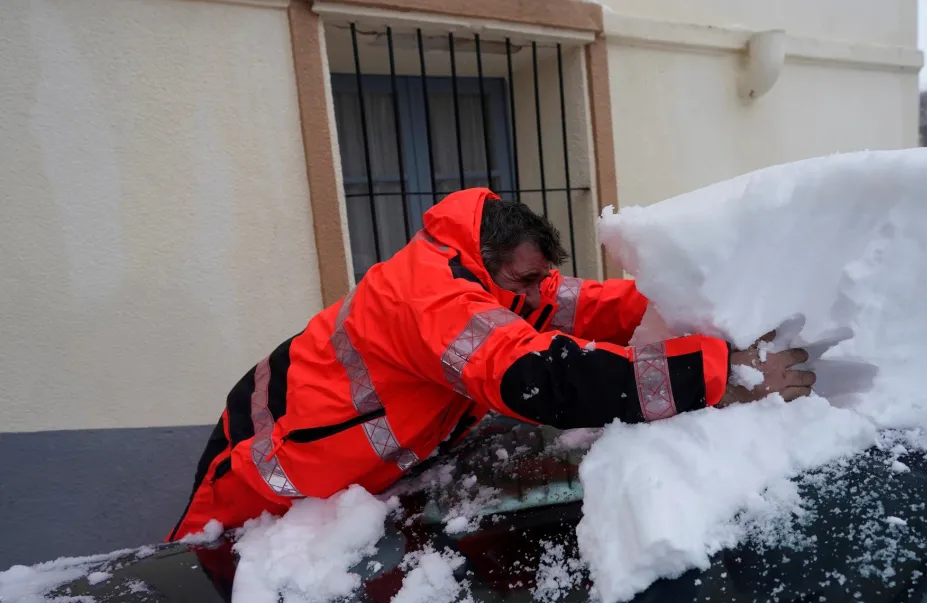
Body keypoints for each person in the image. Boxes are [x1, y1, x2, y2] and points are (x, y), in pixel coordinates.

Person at [167, 188, 814, 541]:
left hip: (341, 477)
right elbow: (546, 378)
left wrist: (696, 296)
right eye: (527, 281)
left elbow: (583, 305)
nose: (539, 295)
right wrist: (722, 374)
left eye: (539, 280)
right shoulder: (431, 302)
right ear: (491, 259)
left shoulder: (490, 273)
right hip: (260, 480)